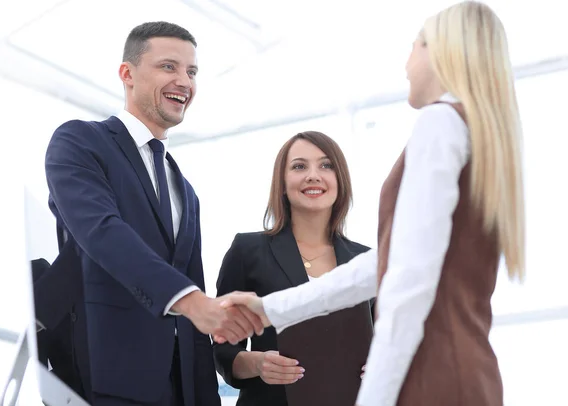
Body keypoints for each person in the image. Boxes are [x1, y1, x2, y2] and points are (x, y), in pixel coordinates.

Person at [222, 2, 525, 405]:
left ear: (440, 51)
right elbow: (389, 264)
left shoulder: (440, 122)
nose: (406, 64)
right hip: (470, 373)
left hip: (431, 377)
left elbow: (406, 285)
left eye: (413, 47)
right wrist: (269, 308)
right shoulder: (481, 132)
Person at [45, 21, 263, 406]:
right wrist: (191, 300)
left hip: (179, 386)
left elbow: (194, 296)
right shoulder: (80, 142)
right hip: (107, 376)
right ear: (127, 74)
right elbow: (102, 232)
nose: (185, 81)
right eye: (169, 67)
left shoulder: (185, 190)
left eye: (191, 71)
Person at [213, 131, 375, 406]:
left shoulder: (366, 260)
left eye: (326, 165)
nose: (313, 175)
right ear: (283, 184)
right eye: (300, 166)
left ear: (340, 181)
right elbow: (223, 349)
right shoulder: (248, 250)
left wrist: (379, 366)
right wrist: (258, 363)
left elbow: (389, 341)